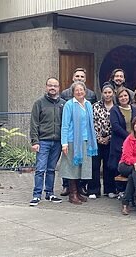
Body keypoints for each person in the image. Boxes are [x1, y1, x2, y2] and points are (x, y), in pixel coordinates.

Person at [60, 67, 98, 196]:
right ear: (73, 92)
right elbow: (65, 125)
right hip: (72, 141)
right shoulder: (69, 105)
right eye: (77, 90)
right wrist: (64, 143)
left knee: (82, 167)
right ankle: (73, 193)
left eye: (81, 90)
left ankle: (79, 191)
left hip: (86, 140)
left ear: (85, 91)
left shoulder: (88, 104)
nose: (79, 92)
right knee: (72, 168)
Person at [29, 77, 65, 206]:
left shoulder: (63, 103)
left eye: (55, 85)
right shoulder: (39, 103)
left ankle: (49, 193)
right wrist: (35, 141)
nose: (52, 88)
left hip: (57, 142)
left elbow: (66, 124)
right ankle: (36, 195)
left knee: (51, 169)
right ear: (46, 87)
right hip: (43, 141)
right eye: (50, 85)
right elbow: (34, 123)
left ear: (59, 87)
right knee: (40, 169)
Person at [87, 84, 117, 199]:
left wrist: (108, 138)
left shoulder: (116, 107)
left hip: (111, 141)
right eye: (105, 93)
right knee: (95, 165)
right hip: (96, 141)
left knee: (109, 165)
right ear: (102, 94)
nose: (107, 95)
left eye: (109, 92)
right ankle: (93, 189)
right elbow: (92, 122)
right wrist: (98, 138)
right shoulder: (95, 106)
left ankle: (109, 189)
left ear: (113, 93)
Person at [108, 87, 136, 198]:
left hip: (133, 143)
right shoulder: (114, 110)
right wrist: (129, 137)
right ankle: (119, 190)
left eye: (125, 95)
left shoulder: (133, 109)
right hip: (119, 142)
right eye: (121, 96)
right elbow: (115, 126)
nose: (123, 98)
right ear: (117, 98)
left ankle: (128, 190)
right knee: (117, 166)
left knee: (129, 164)